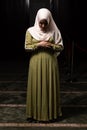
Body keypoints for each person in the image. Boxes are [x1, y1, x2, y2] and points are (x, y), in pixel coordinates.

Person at [24, 8, 64, 122]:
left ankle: (50, 114)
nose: (42, 26)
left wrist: (51, 46)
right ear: (37, 20)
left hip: (50, 62)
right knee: (36, 86)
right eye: (40, 23)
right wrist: (39, 44)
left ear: (49, 21)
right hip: (36, 62)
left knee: (49, 86)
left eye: (45, 23)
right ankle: (34, 114)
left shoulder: (54, 31)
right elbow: (27, 47)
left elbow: (60, 47)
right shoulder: (30, 31)